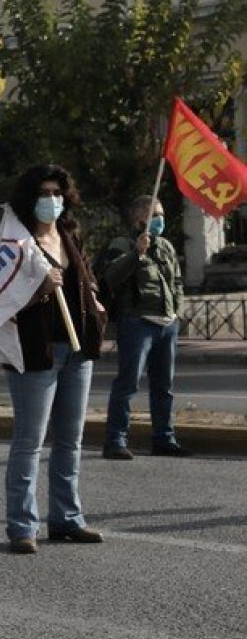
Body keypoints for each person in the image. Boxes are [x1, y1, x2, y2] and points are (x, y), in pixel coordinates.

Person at [0, 164, 105, 555]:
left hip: (77, 347)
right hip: (36, 351)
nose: (52, 200)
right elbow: (3, 303)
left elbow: (85, 278)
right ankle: (21, 525)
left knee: (71, 439)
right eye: (44, 193)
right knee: (29, 441)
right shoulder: (16, 243)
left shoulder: (68, 235)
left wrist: (94, 299)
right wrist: (37, 289)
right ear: (29, 198)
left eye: (57, 192)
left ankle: (67, 518)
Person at [100, 194, 190, 459]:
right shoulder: (122, 244)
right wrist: (135, 254)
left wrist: (176, 311)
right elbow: (110, 277)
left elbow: (177, 283)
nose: (160, 219)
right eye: (155, 215)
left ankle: (164, 438)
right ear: (140, 219)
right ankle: (115, 440)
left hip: (166, 324)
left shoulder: (166, 247)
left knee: (164, 385)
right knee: (128, 383)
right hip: (137, 322)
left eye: (161, 214)